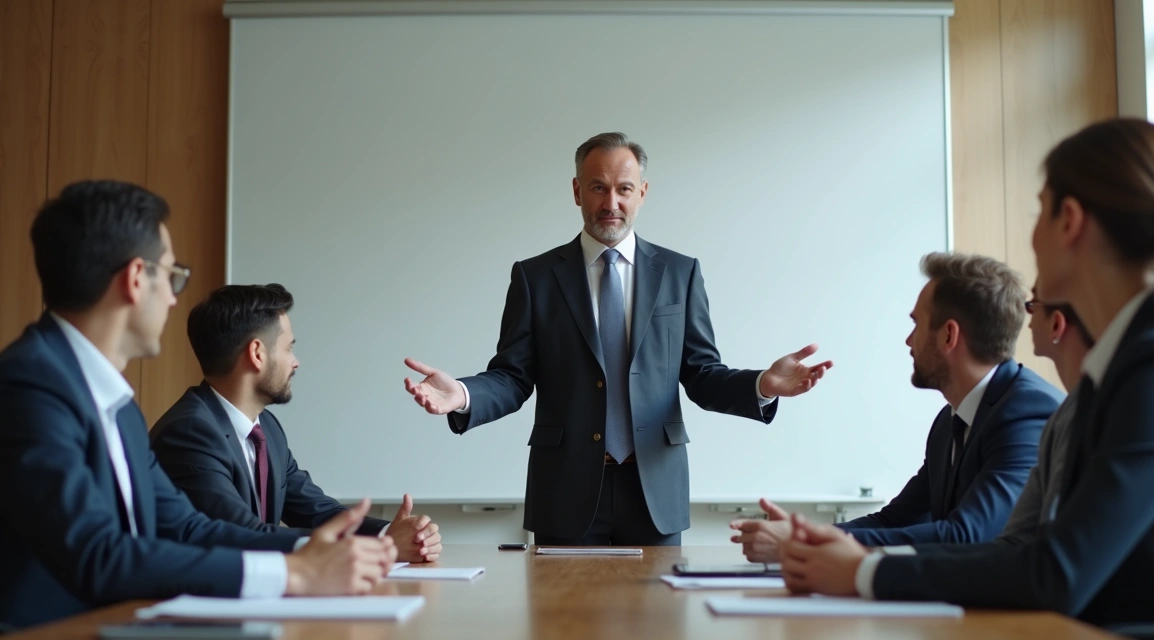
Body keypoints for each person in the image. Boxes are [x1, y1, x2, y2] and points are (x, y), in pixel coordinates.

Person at [777, 118, 1154, 627]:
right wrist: (855, 561)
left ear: (1069, 221)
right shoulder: (1130, 364)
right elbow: (1031, 553)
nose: (1032, 235)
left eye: (1039, 210)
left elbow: (1057, 571)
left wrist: (865, 572)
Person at [402, 132, 832, 545]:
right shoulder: (535, 277)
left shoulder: (680, 274)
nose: (611, 203)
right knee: (560, 603)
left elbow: (702, 375)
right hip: (565, 490)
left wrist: (761, 385)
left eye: (624, 189)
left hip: (654, 490)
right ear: (577, 192)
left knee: (661, 602)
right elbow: (512, 378)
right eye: (598, 188)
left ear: (642, 193)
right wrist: (462, 394)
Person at [0, 181, 395, 630]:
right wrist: (294, 574)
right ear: (135, 278)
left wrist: (313, 553)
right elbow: (99, 554)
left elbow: (189, 528)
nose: (173, 298)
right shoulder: (29, 387)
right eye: (171, 276)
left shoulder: (117, 405)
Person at [730, 252, 1061, 560]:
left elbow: (967, 536)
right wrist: (806, 535)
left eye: (917, 324)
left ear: (949, 336)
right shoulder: (949, 423)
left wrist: (803, 542)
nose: (908, 340)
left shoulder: (1027, 414)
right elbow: (895, 519)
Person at [150, 284, 442, 563]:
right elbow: (242, 535)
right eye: (288, 348)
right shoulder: (190, 433)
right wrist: (380, 547)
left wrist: (387, 533)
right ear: (257, 354)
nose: (295, 361)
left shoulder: (266, 428)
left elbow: (315, 510)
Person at [993, 281, 1092, 544]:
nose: (1026, 320)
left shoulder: (1044, 409)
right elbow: (1013, 544)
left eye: (1033, 305)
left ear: (1057, 325)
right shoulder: (1064, 414)